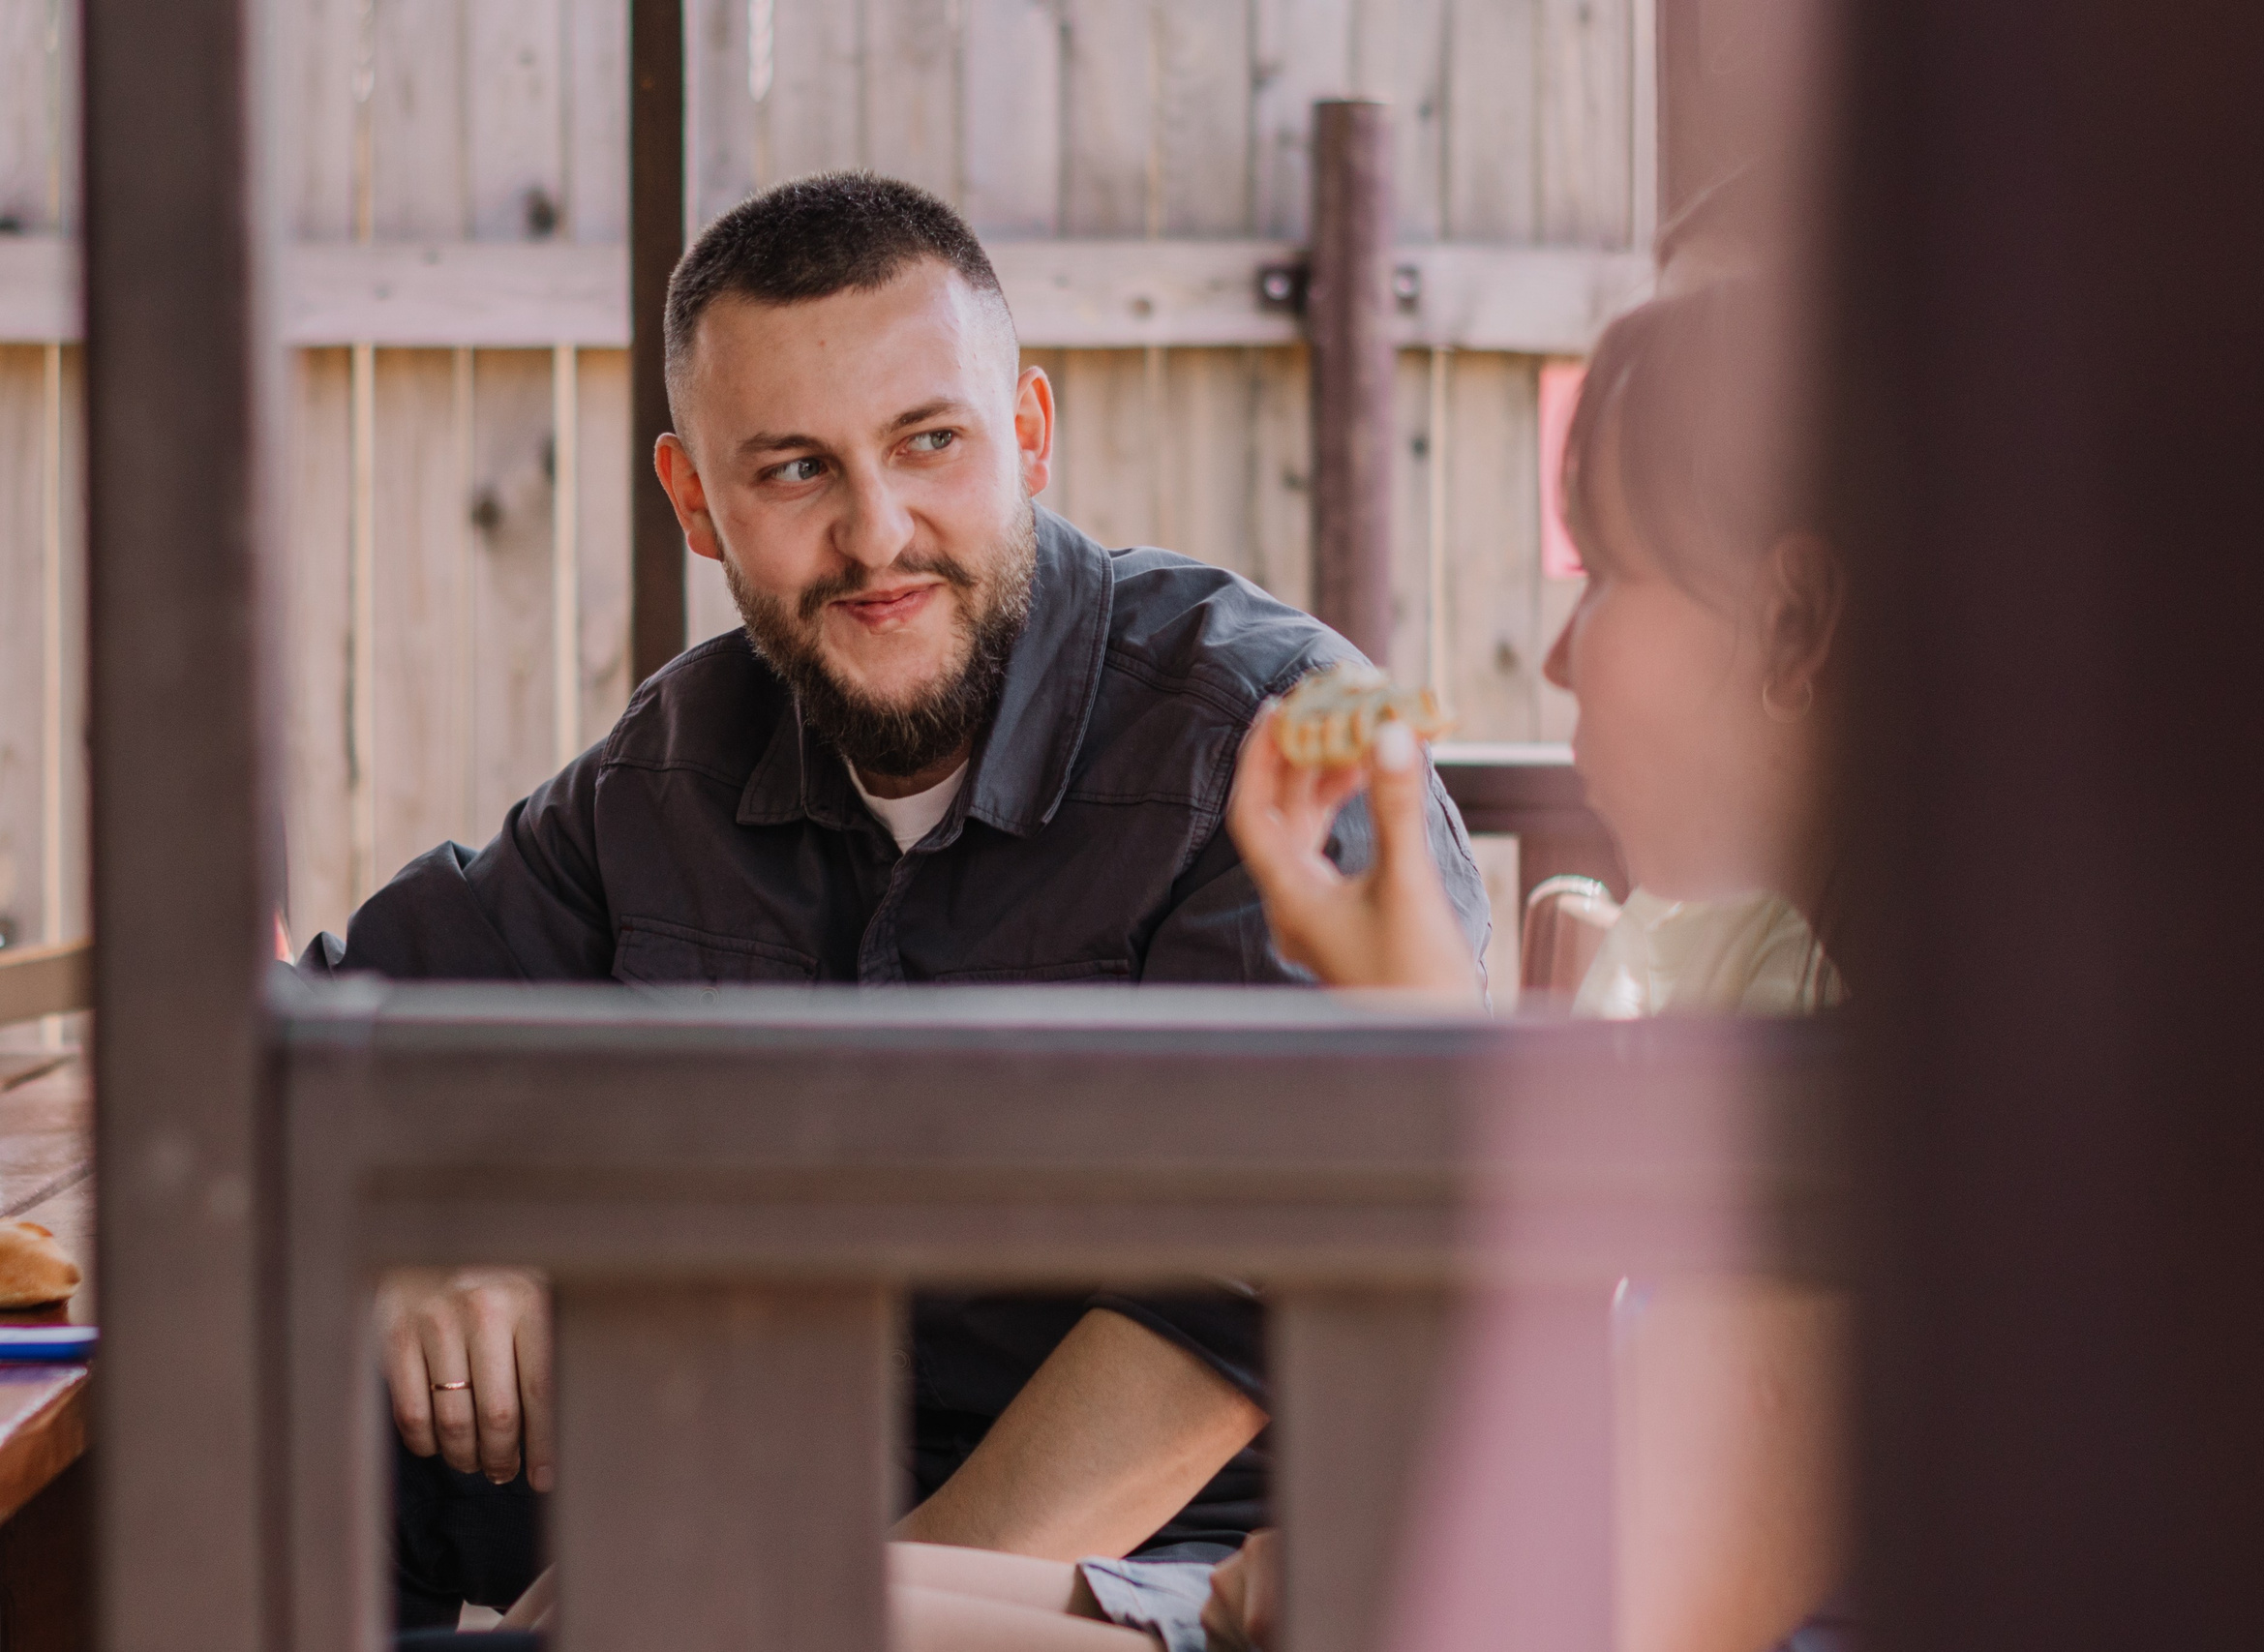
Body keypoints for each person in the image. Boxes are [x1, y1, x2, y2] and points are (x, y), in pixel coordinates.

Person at [304, 170, 1494, 1633]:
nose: (876, 535)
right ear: (695, 502)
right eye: (795, 470)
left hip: (1173, 1572)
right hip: (776, 1478)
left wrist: (819, 1606)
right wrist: (423, 1255)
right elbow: (322, 1029)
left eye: (931, 442)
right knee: (280, 1426)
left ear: (1030, 435)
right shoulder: (675, 764)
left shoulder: (1262, 739)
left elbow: (1244, 1303)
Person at [1212, 274, 1858, 1652]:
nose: (1558, 657)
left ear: (1792, 622)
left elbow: (1582, 1614)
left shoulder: (1900, 1090)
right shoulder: (1799, 989)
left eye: (1605, 572)